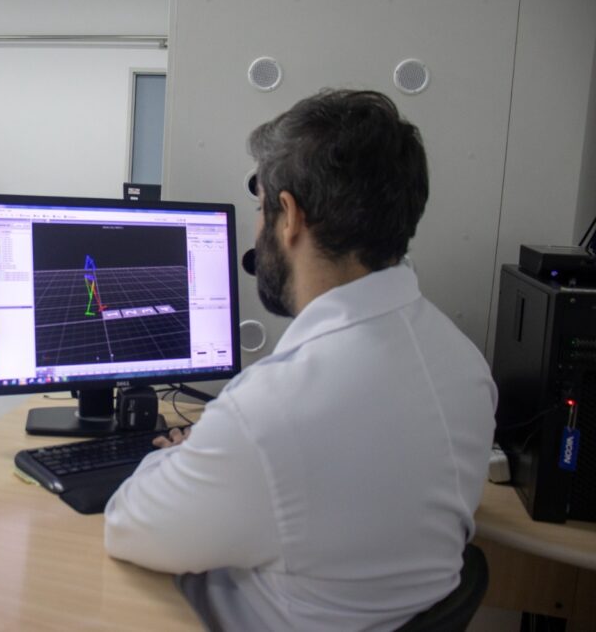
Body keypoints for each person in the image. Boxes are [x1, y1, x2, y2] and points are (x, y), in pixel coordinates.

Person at [104, 90, 497, 631]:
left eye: (260, 207)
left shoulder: (269, 413)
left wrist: (188, 456)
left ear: (288, 215)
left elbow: (128, 525)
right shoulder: (465, 365)